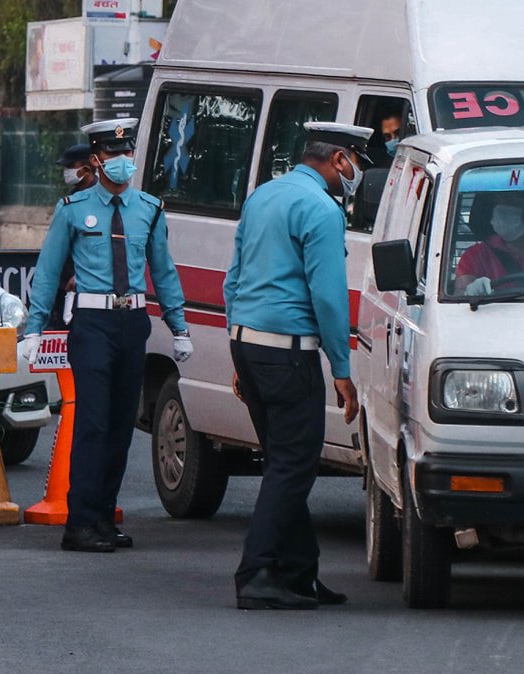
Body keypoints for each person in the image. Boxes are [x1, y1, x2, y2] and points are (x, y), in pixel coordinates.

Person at [20, 117, 190, 553]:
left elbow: (163, 271)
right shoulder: (73, 209)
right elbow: (50, 271)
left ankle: (104, 516)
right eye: (114, 155)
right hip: (92, 324)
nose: (122, 162)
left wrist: (179, 325)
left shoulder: (149, 209)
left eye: (127, 153)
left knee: (120, 425)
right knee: (93, 423)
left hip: (132, 322)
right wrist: (34, 327)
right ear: (96, 160)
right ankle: (79, 522)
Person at [223, 122, 368, 611]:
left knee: (285, 463)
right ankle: (256, 572)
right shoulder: (322, 210)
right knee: (293, 464)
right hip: (288, 351)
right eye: (357, 163)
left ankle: (300, 572)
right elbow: (327, 297)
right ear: (340, 159)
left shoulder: (263, 195)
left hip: (249, 342)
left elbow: (234, 277)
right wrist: (342, 369)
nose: (357, 175)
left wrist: (237, 346)